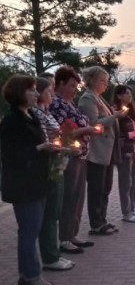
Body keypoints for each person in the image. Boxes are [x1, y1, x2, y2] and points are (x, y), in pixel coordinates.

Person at [0, 74, 60, 285]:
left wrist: (53, 149)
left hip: (37, 181)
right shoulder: (12, 120)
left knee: (32, 229)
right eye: (32, 90)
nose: (36, 93)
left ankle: (29, 274)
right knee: (28, 230)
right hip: (23, 185)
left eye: (36, 90)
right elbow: (12, 155)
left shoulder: (30, 116)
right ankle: (31, 276)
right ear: (19, 93)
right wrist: (41, 148)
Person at [50, 66, 97, 254]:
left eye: (76, 86)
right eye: (71, 85)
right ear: (60, 84)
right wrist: (85, 131)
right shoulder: (56, 104)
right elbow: (61, 132)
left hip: (81, 155)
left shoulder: (70, 103)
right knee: (68, 197)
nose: (74, 90)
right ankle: (64, 238)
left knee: (78, 197)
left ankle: (72, 234)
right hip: (68, 156)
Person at [78, 66, 126, 236]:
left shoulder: (98, 97)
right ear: (92, 80)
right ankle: (96, 223)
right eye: (102, 81)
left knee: (105, 187)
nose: (106, 84)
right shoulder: (87, 99)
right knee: (97, 188)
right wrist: (114, 117)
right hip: (97, 151)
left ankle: (102, 220)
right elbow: (93, 123)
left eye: (106, 81)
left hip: (107, 149)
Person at [33, 77, 75, 271]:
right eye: (48, 91)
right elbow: (42, 139)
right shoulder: (36, 114)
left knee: (55, 211)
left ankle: (54, 253)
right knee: (50, 213)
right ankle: (50, 257)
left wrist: (66, 144)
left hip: (58, 162)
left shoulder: (46, 112)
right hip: (49, 166)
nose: (51, 95)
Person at [112, 84, 135, 222]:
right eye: (126, 93)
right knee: (126, 181)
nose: (129, 96)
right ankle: (126, 212)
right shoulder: (115, 111)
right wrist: (134, 134)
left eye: (130, 93)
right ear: (119, 95)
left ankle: (133, 209)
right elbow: (117, 131)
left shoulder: (131, 111)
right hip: (124, 150)